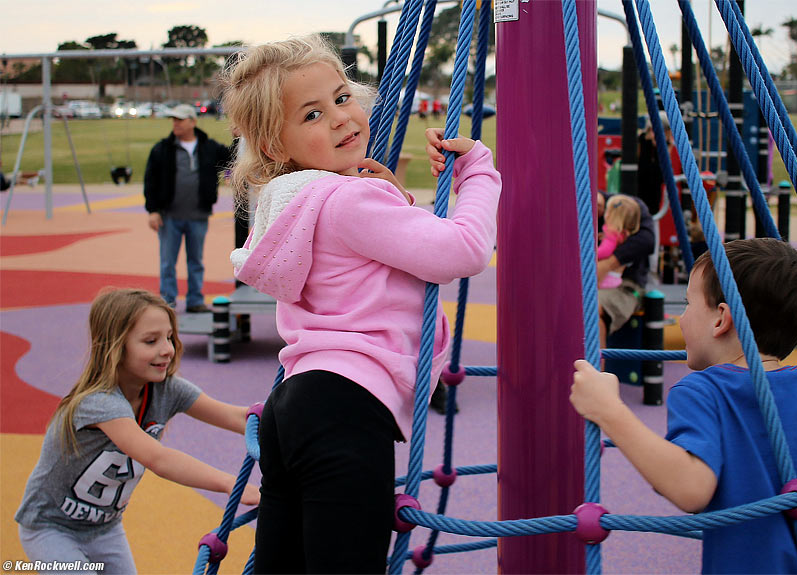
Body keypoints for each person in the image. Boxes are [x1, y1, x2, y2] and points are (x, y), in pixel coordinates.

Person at [220, 35, 501, 573]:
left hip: (293, 407)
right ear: (277, 146)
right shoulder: (349, 200)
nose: (341, 119)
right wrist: (479, 172)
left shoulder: (290, 203)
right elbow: (462, 250)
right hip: (345, 408)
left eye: (342, 97)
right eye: (312, 114)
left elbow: (370, 261)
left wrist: (389, 195)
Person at [570, 238, 797, 574]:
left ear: (721, 318)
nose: (680, 317)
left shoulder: (702, 391)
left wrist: (609, 411)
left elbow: (690, 488)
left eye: (687, 304)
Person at [15, 288, 260, 575]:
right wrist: (234, 484)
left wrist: (288, 414)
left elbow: (236, 416)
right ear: (115, 347)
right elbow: (159, 460)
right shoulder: (98, 403)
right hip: (51, 528)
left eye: (169, 337)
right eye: (150, 341)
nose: (167, 348)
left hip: (105, 529)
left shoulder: (167, 389)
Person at [143, 103, 232, 314]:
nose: (176, 124)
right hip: (169, 216)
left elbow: (233, 157)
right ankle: (167, 302)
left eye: (180, 120)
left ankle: (195, 300)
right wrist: (153, 210)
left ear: (192, 122)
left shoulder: (209, 147)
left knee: (195, 261)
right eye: (173, 120)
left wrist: (238, 135)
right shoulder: (161, 149)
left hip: (198, 215)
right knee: (167, 263)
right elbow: (150, 180)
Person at [596, 190, 655, 348]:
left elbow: (647, 241)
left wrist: (607, 264)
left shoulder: (624, 206)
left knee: (591, 309)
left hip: (625, 285)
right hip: (597, 282)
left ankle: (595, 369)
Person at [597, 194, 642, 289]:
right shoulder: (623, 234)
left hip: (606, 278)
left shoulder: (612, 234)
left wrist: (593, 253)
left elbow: (605, 251)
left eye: (607, 211)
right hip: (615, 278)